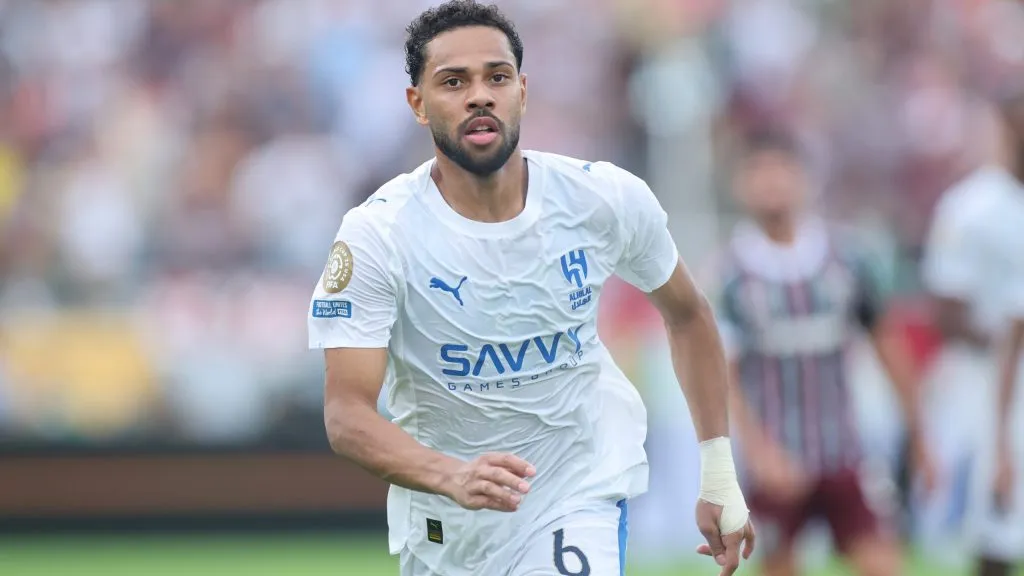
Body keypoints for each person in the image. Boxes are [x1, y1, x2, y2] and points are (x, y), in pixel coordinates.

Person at [306, 2, 755, 575]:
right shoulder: (377, 236)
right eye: (453, 82)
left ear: (522, 90)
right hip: (447, 523)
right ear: (417, 104)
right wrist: (452, 474)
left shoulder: (603, 199)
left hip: (575, 495)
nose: (479, 96)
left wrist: (718, 471)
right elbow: (347, 414)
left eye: (496, 77)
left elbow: (689, 314)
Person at [707, 129, 935, 576]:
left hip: (844, 453)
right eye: (759, 171)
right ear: (740, 183)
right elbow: (722, 373)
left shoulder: (848, 259)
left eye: (781, 171)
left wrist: (919, 435)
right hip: (777, 460)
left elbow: (887, 344)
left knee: (883, 564)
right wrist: (759, 452)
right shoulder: (730, 274)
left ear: (804, 179)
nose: (771, 183)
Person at [924, 88, 1024, 576]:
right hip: (986, 377)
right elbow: (946, 306)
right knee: (996, 517)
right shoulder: (970, 207)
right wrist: (1006, 336)